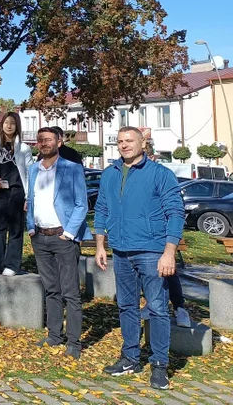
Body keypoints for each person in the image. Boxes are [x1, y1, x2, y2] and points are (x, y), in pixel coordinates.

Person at [94, 126, 184, 390]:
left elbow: (176, 214)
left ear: (142, 143)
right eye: (120, 141)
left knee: (157, 308)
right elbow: (101, 208)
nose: (124, 145)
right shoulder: (109, 174)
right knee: (126, 307)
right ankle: (130, 357)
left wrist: (169, 252)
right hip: (120, 252)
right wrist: (101, 245)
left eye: (129, 140)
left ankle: (159, 365)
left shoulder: (160, 174)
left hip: (152, 251)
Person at [27, 128, 90, 359]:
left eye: (49, 139)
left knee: (70, 291)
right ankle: (55, 335)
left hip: (64, 238)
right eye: (41, 140)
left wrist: (70, 233)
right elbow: (30, 200)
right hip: (40, 237)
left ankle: (74, 342)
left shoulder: (72, 169)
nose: (44, 143)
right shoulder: (33, 169)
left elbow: (82, 204)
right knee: (51, 289)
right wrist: (31, 228)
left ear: (59, 142)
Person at [0, 112, 32, 282]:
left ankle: (12, 265)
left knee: (16, 229)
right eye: (6, 122)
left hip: (17, 190)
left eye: (13, 123)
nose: (9, 126)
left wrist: (29, 197)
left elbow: (30, 174)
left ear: (17, 126)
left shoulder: (23, 148)